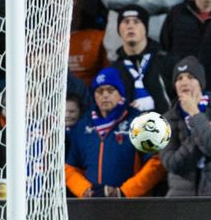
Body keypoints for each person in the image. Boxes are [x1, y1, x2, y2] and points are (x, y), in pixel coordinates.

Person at [65, 67, 166, 198]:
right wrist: (85, 191)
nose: (105, 95)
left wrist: (124, 192)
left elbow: (156, 163)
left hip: (133, 205)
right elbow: (70, 168)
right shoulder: (83, 125)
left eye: (111, 90)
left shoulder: (140, 121)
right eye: (99, 91)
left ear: (121, 93)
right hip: (92, 206)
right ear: (94, 95)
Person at [160, 56, 211, 196]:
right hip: (181, 198)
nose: (184, 82)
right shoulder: (168, 118)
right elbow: (171, 163)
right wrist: (205, 127)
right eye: (179, 78)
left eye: (190, 77)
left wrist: (194, 114)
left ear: (201, 82)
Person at [111, 5, 176, 114]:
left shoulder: (167, 61)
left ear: (146, 28)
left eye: (136, 22)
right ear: (119, 30)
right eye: (126, 22)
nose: (130, 26)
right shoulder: (114, 69)